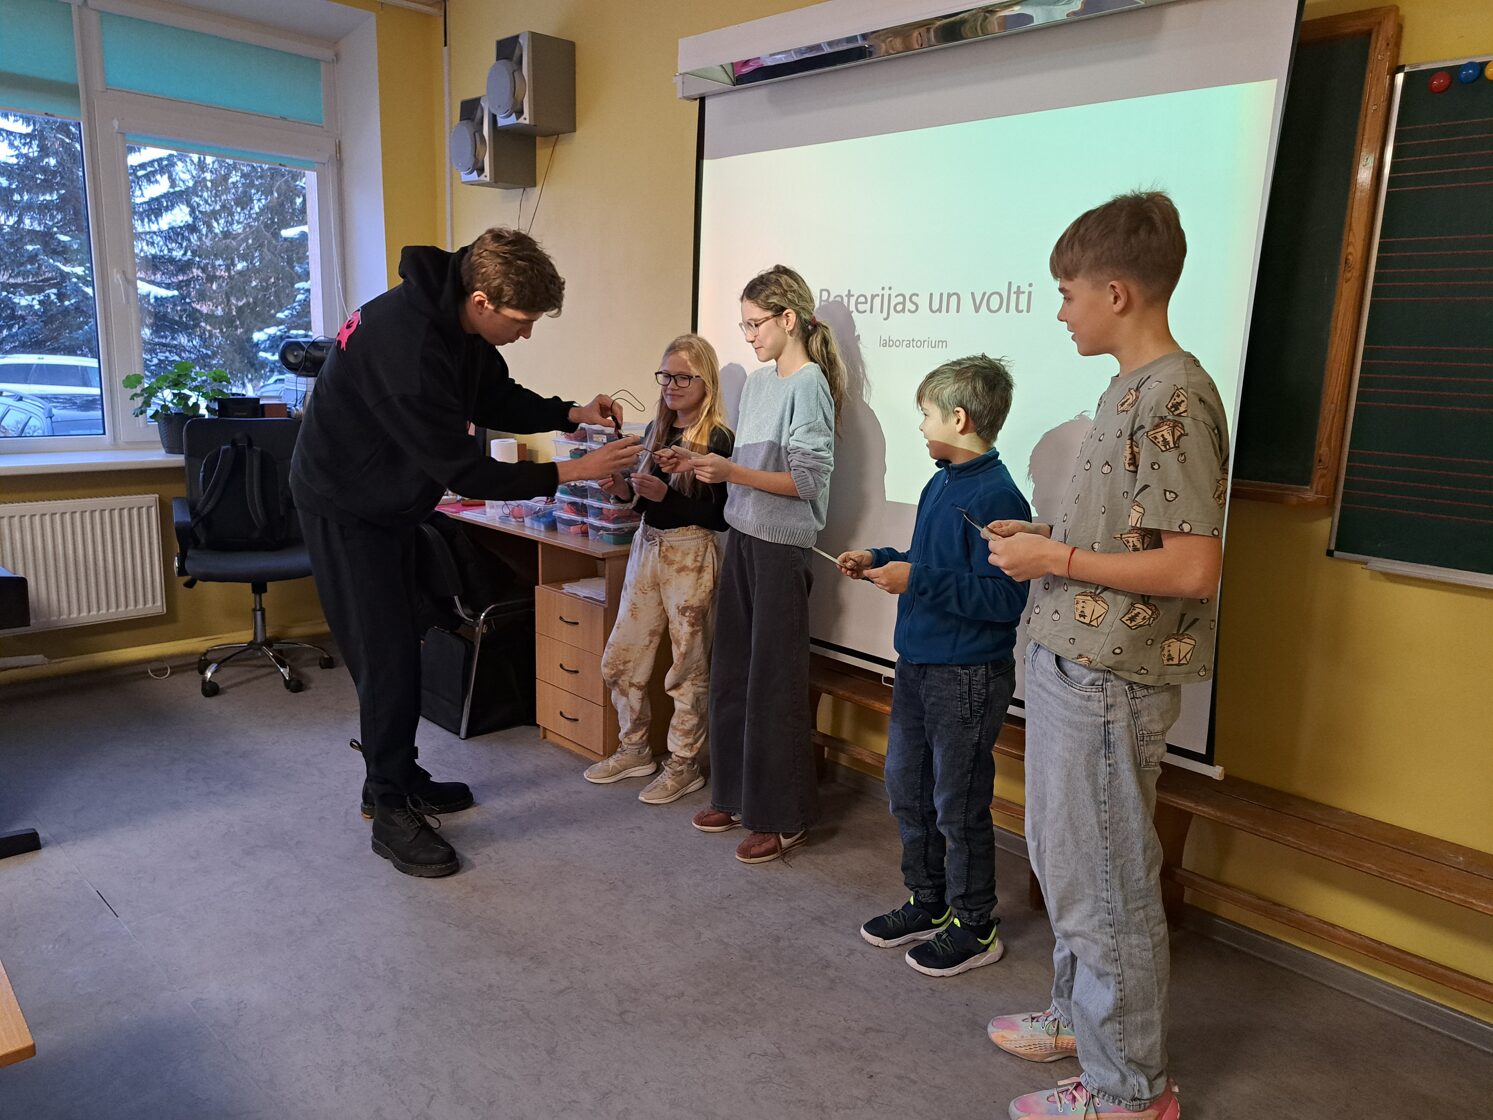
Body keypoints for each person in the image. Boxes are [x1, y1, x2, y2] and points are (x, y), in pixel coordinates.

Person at [291, 227, 641, 879]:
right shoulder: (406, 348)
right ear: (482, 301)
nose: (526, 333)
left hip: (389, 500)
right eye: (522, 321)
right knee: (386, 657)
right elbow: (467, 471)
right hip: (344, 506)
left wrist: (570, 412)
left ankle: (397, 775)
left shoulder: (456, 316)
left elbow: (491, 396)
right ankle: (388, 807)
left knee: (408, 635)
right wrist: (575, 470)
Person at [985, 192, 1228, 1120]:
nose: (1059, 312)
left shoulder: (1174, 395)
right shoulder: (1126, 388)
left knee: (1107, 887)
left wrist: (1054, 561)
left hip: (1109, 679)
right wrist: (1047, 538)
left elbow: (1192, 568)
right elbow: (1127, 537)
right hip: (1070, 661)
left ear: (1116, 293)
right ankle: (1075, 1019)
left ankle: (1130, 1093)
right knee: (1067, 864)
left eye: (1066, 293)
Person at [836, 354, 1030, 977]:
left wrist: (915, 579)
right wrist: (879, 557)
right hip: (918, 665)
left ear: (960, 418)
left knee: (957, 803)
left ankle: (975, 925)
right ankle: (929, 901)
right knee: (907, 791)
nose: (920, 426)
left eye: (925, 415)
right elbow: (931, 560)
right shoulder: (940, 481)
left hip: (966, 675)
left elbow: (1004, 598)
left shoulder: (997, 495)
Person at [671, 265, 842, 865]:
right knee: (732, 671)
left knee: (774, 682)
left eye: (755, 324)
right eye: (743, 325)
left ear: (788, 319)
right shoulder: (763, 382)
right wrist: (698, 464)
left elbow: (806, 482)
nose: (748, 336)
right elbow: (747, 473)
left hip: (780, 548)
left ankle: (783, 817)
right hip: (743, 538)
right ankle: (737, 795)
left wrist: (731, 472)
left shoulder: (810, 385)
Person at [582, 334, 735, 804]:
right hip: (648, 547)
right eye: (666, 375)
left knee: (688, 666)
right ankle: (634, 749)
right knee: (620, 659)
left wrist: (665, 495)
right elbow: (643, 505)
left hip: (691, 554)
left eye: (683, 377)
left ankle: (684, 764)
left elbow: (718, 517)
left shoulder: (717, 439)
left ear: (706, 382)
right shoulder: (656, 430)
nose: (671, 385)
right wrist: (621, 490)